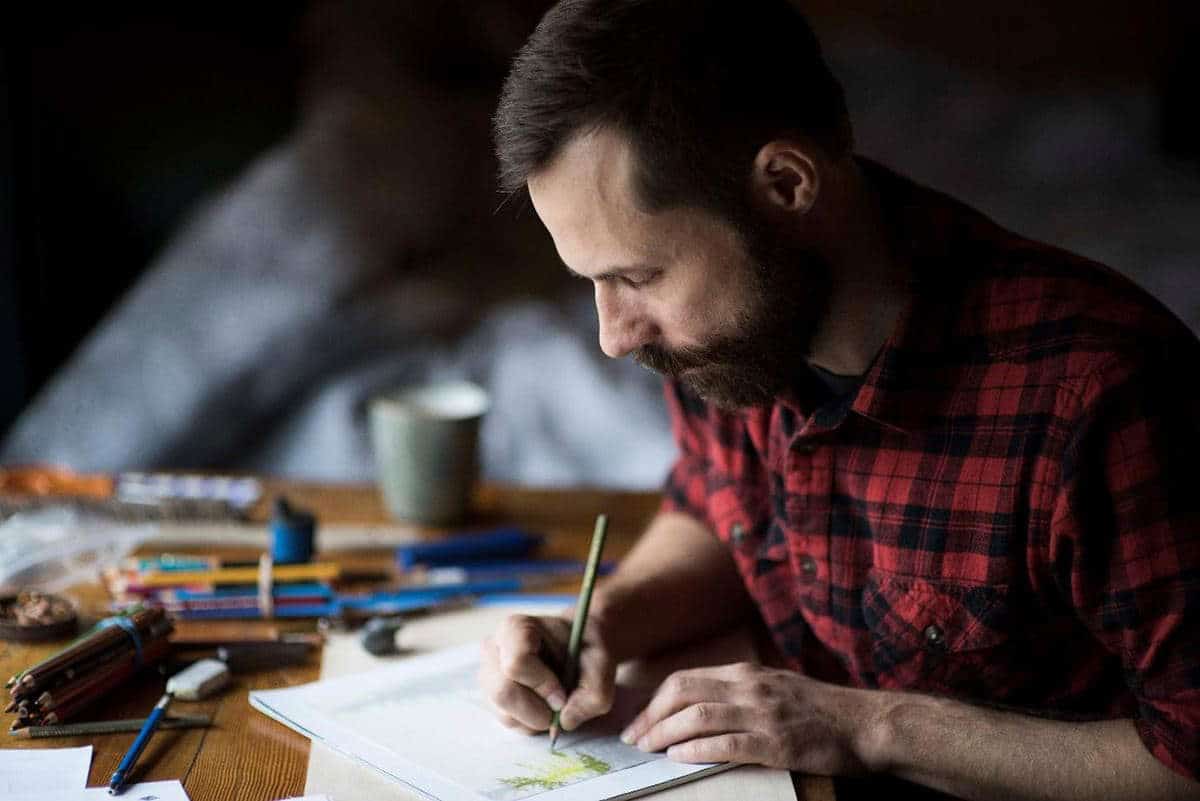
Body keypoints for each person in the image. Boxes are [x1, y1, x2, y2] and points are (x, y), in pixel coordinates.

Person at [477, 1, 1200, 799]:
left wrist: (865, 727)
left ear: (786, 185)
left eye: (639, 275)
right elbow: (718, 508)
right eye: (591, 281)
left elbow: (1188, 752)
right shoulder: (737, 339)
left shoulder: (1101, 398)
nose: (613, 335)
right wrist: (605, 623)